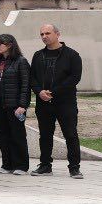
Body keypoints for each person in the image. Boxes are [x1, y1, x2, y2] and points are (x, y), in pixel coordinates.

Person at [31, 24, 84, 178]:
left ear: (57, 34)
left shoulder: (72, 55)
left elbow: (75, 78)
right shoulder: (38, 55)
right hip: (43, 102)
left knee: (70, 134)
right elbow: (32, 77)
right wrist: (39, 92)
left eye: (47, 33)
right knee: (45, 135)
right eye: (42, 34)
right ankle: (45, 166)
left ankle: (74, 167)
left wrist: (53, 92)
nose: (44, 36)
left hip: (65, 102)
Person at [0, 33, 31, 174]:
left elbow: (26, 85)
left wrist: (22, 105)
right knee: (2, 135)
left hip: (14, 105)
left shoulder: (20, 61)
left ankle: (21, 165)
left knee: (17, 135)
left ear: (9, 44)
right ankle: (7, 164)